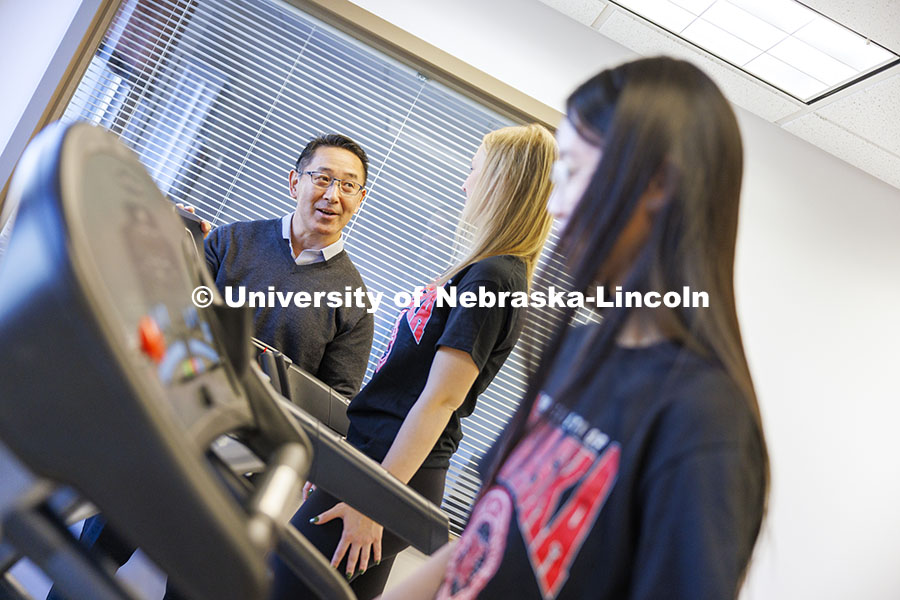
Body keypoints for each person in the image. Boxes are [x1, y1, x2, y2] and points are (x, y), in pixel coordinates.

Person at [381, 57, 769, 600]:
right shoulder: (578, 350)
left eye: (573, 173)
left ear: (657, 183)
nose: (555, 206)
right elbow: (483, 541)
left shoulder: (703, 420)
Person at [47, 133, 376, 600]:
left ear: (360, 199)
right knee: (88, 562)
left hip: (240, 468)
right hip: (165, 431)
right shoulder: (230, 240)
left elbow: (332, 409)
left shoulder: (355, 303)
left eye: (347, 185)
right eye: (322, 179)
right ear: (293, 182)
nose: (332, 195)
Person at [269, 123, 557, 600]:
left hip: (392, 473)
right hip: (379, 464)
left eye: (474, 171)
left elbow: (441, 398)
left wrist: (375, 500)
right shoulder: (486, 269)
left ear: (501, 182)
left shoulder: (495, 276)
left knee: (283, 582)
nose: (466, 184)